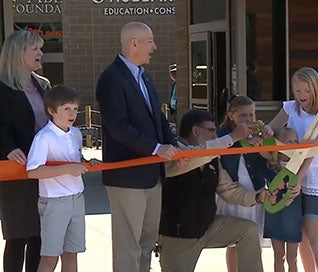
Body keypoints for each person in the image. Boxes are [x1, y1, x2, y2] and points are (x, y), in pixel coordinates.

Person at [95, 22, 179, 272]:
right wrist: (156, 148)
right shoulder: (111, 78)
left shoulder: (145, 76)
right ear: (134, 43)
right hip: (126, 177)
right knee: (128, 245)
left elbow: (158, 119)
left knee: (146, 241)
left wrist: (173, 148)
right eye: (150, 41)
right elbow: (119, 127)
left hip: (152, 175)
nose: (154, 47)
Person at [157, 108, 270, 272]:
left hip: (208, 227)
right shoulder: (174, 154)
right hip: (179, 236)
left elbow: (228, 190)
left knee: (248, 230)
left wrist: (257, 197)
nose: (215, 136)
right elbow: (194, 158)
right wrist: (232, 137)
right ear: (195, 131)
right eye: (211, 131)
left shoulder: (212, 158)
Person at [268, 67, 318, 272]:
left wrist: (298, 178)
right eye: (297, 91)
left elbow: (312, 150)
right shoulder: (290, 108)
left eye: (306, 91)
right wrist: (261, 133)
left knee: (313, 230)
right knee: (300, 233)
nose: (301, 96)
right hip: (291, 172)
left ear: (315, 89)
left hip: (315, 175)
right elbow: (271, 130)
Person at [26, 85, 100, 272]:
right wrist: (67, 169)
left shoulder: (75, 133)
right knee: (50, 257)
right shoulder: (44, 137)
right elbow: (33, 171)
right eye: (66, 108)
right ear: (51, 111)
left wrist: (86, 161)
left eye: (75, 108)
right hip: (54, 202)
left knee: (71, 254)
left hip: (77, 198)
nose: (72, 113)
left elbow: (75, 159)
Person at [0, 30, 50, 272]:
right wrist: (8, 148)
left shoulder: (44, 85)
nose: (41, 53)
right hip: (16, 172)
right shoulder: (2, 87)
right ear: (19, 53)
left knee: (40, 236)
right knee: (17, 235)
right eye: (36, 49)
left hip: (44, 171)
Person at [216, 96, 274, 272]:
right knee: (233, 242)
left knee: (254, 239)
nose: (248, 120)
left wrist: (265, 141)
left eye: (251, 115)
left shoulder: (258, 134)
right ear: (231, 116)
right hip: (233, 193)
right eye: (242, 116)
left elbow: (271, 158)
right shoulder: (223, 134)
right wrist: (241, 142)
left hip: (255, 190)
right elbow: (221, 149)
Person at [264, 127, 303, 272]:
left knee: (292, 257)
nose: (293, 144)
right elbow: (268, 188)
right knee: (278, 255)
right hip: (275, 214)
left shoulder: (299, 166)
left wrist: (290, 197)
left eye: (295, 141)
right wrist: (274, 187)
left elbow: (299, 186)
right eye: (288, 141)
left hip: (292, 213)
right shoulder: (271, 166)